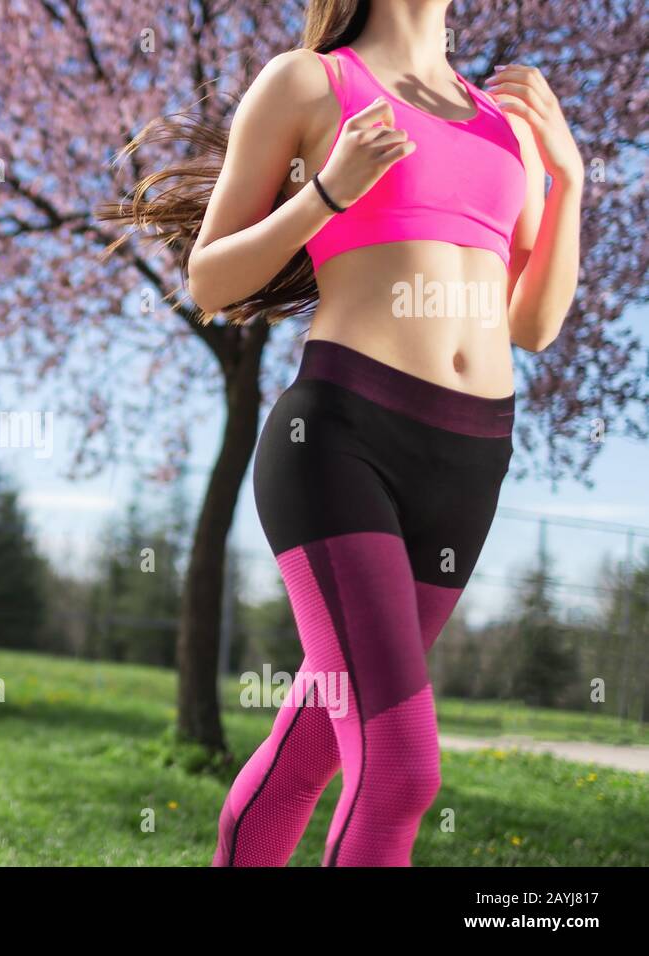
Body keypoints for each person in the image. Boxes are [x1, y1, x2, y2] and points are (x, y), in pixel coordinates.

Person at [143, 0, 582, 866]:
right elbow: (212, 282)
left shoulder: (509, 122)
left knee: (309, 749)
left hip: (470, 459)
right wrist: (328, 193)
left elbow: (531, 325)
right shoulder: (310, 81)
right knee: (400, 771)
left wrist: (565, 181)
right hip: (341, 442)